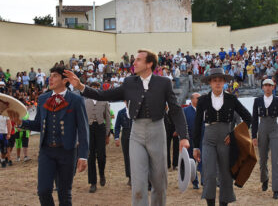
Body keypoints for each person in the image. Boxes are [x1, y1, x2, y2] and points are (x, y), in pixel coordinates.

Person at [64, 49, 190, 206]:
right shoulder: (129, 83)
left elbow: (176, 110)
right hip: (136, 133)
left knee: (159, 181)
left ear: (149, 63)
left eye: (138, 60)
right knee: (138, 182)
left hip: (157, 130)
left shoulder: (163, 83)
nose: (134, 62)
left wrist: (184, 137)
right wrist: (81, 86)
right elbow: (104, 95)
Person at [8, 66, 89, 206]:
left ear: (65, 81)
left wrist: (83, 156)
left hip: (68, 152)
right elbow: (38, 124)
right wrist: (20, 123)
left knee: (64, 194)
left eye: (55, 76)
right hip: (46, 151)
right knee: (43, 191)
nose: (50, 78)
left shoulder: (76, 100)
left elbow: (83, 129)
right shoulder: (43, 98)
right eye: (50, 75)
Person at [193, 68, 252, 206]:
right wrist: (196, 146)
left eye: (220, 80)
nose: (217, 83)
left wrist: (235, 134)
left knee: (226, 175)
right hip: (208, 140)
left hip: (226, 140)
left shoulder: (231, 99)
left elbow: (248, 118)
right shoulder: (202, 100)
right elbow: (197, 124)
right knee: (209, 173)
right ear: (210, 83)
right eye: (214, 80)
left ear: (224, 82)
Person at [252, 79, 278, 199]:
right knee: (263, 158)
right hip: (262, 129)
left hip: (274, 129)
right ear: (262, 87)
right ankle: (264, 179)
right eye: (265, 85)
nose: (267, 87)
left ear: (273, 87)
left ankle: (276, 189)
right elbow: (254, 118)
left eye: (269, 85)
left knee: (276, 160)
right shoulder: (257, 100)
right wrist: (254, 136)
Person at [85, 82, 111, 193]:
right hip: (89, 129)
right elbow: (83, 119)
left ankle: (102, 173)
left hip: (100, 128)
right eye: (92, 87)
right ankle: (93, 183)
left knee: (101, 155)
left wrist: (107, 134)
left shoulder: (104, 101)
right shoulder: (85, 102)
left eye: (96, 88)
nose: (94, 89)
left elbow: (108, 118)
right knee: (90, 157)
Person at [183, 93, 201, 189]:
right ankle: (195, 182)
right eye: (198, 98)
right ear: (192, 100)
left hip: (202, 139)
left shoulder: (204, 110)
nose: (199, 99)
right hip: (190, 139)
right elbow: (183, 125)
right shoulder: (185, 111)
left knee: (204, 160)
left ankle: (204, 181)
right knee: (192, 161)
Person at [115, 102, 133, 186]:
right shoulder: (120, 112)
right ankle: (130, 177)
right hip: (125, 135)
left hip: (136, 134)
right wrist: (116, 137)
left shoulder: (137, 110)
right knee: (127, 157)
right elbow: (117, 126)